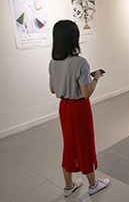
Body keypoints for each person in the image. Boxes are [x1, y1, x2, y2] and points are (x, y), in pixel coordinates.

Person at [49, 20, 109, 197]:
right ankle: (93, 184)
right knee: (85, 144)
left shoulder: (53, 63)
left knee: (69, 144)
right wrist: (96, 79)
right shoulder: (81, 63)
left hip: (64, 107)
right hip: (79, 109)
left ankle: (68, 186)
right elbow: (85, 93)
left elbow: (53, 89)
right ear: (74, 38)